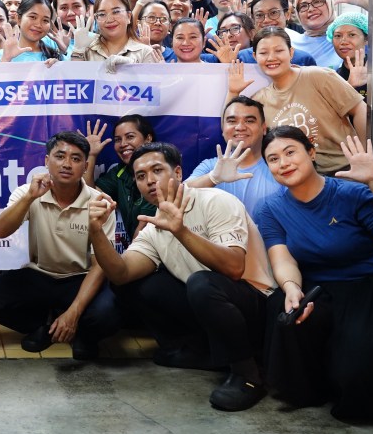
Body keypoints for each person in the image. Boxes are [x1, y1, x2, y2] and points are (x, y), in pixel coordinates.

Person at [89, 142, 275, 412]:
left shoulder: (216, 201)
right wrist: (96, 232)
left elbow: (234, 267)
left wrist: (181, 231)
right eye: (141, 176)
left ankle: (248, 374)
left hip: (255, 305)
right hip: (211, 305)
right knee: (134, 286)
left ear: (177, 172)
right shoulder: (154, 224)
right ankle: (203, 350)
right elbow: (121, 273)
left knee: (202, 283)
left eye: (157, 170)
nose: (150, 180)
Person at [257, 128, 373, 422]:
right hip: (320, 290)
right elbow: (282, 258)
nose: (282, 162)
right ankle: (314, 388)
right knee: (282, 308)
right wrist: (292, 287)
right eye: (273, 159)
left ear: (311, 153)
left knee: (361, 383)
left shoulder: (350, 193)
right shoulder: (271, 208)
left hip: (372, 289)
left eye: (290, 152)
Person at [0, 132, 119, 361]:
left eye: (76, 159)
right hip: (40, 275)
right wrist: (29, 197)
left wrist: (73, 313)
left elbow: (100, 266)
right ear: (47, 161)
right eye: (60, 156)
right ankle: (45, 326)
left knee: (110, 313)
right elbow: (0, 231)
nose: (67, 164)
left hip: (81, 278)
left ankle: (82, 334)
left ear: (86, 166)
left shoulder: (99, 203)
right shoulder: (30, 191)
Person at [228, 27, 367, 175]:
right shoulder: (259, 100)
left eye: (279, 50)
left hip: (344, 172)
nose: (271, 57)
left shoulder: (319, 76)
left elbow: (359, 109)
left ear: (291, 52)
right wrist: (232, 92)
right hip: (297, 179)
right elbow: (233, 127)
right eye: (264, 53)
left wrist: (363, 153)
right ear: (255, 57)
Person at [186, 96, 283, 218]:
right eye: (232, 121)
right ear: (223, 129)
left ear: (263, 128)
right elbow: (177, 195)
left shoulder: (281, 166)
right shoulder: (210, 166)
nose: (240, 127)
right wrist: (213, 178)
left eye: (249, 121)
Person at [83, 115, 158, 253]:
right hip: (140, 251)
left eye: (130, 137)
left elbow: (143, 229)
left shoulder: (159, 171)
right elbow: (90, 196)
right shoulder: (120, 172)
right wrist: (92, 155)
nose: (123, 144)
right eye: (118, 140)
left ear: (148, 138)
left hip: (158, 253)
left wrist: (127, 267)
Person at [70, 0, 156, 67]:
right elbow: (73, 81)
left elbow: (152, 83)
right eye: (102, 14)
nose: (109, 20)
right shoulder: (87, 50)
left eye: (116, 12)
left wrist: (132, 69)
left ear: (129, 16)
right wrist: (78, 51)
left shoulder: (145, 52)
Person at [0, 0, 61, 64]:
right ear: (18, 18)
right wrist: (6, 59)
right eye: (33, 17)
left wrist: (58, 68)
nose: (38, 25)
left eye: (45, 20)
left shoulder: (54, 57)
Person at [291, 0, 341, 68]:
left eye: (317, 2)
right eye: (303, 6)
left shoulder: (346, 39)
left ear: (329, 3)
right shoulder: (292, 45)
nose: (311, 9)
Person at [327, 10, 369, 100]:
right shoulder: (332, 79)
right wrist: (349, 85)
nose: (343, 41)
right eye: (338, 36)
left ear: (366, 39)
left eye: (352, 35)